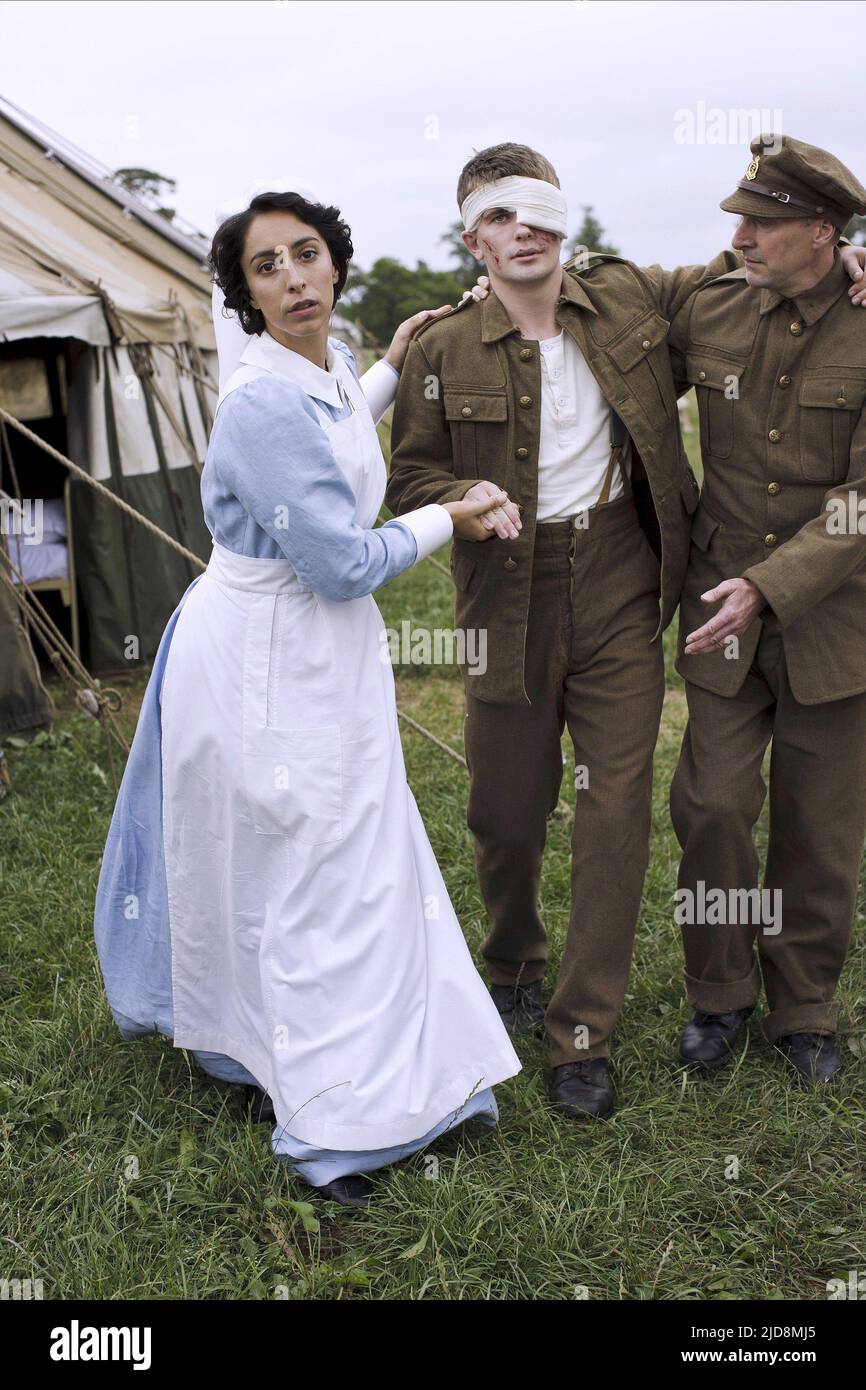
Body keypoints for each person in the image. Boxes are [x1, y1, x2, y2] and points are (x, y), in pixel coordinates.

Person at [385, 142, 866, 1122]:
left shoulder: (632, 297)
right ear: (470, 237)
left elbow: (760, 281)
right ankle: (540, 965)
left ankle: (607, 1033)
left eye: (535, 210)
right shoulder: (449, 346)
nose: (521, 230)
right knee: (526, 814)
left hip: (658, 583)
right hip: (527, 593)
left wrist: (854, 256)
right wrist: (461, 497)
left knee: (649, 812)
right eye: (496, 216)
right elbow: (411, 477)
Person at [93, 187, 520, 1208]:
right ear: (243, 294)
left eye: (305, 254)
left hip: (320, 652)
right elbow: (336, 563)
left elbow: (329, 425)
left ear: (334, 263)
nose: (291, 278)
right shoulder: (257, 401)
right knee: (311, 870)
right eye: (265, 266)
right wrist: (449, 515)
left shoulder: (320, 370)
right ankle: (334, 1114)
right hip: (266, 651)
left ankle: (378, 1066)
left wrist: (391, 364)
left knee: (353, 857)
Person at [668, 134, 866, 1085]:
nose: (740, 238)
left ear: (824, 233)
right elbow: (593, 310)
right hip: (721, 609)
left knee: (818, 824)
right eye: (737, 221)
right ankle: (718, 994)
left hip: (839, 618)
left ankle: (805, 1007)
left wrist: (772, 584)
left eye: (761, 224)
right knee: (711, 804)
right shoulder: (708, 305)